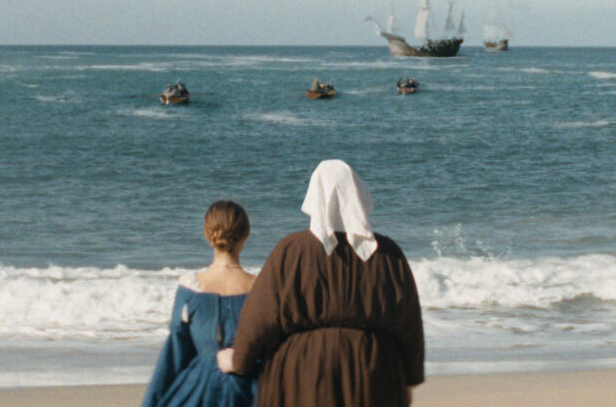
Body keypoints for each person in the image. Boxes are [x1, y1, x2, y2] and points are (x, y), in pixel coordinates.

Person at [218, 160, 424, 407]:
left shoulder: (291, 250)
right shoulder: (387, 253)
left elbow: (260, 316)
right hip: (372, 372)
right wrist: (410, 378)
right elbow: (409, 324)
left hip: (304, 373)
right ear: (359, 196)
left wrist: (240, 361)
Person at [142, 201, 257, 407]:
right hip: (250, 389)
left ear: (207, 234)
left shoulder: (191, 288)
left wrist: (151, 402)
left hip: (201, 390)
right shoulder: (260, 288)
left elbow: (175, 351)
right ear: (245, 235)